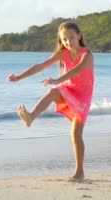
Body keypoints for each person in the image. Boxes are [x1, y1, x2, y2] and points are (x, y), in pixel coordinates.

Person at [7, 22, 94, 183]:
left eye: (72, 37)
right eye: (65, 39)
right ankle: (31, 117)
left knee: (76, 134)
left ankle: (79, 172)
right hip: (67, 88)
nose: (68, 42)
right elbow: (40, 66)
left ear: (79, 36)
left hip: (82, 96)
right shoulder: (63, 53)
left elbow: (76, 70)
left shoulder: (86, 54)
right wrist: (19, 77)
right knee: (53, 92)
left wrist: (57, 79)